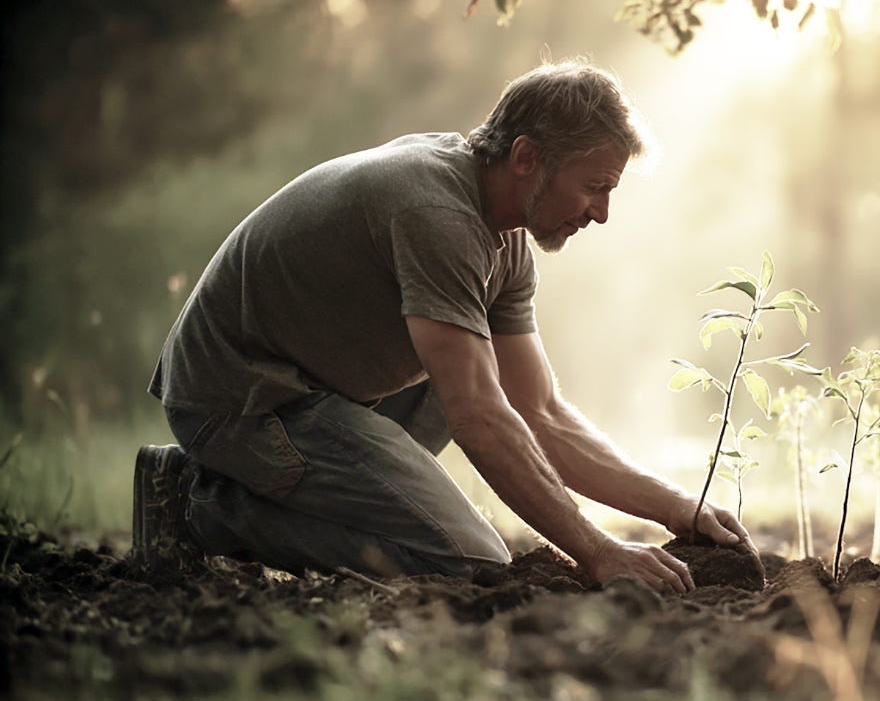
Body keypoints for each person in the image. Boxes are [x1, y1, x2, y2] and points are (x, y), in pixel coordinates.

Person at [135, 59, 751, 592]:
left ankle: (274, 496)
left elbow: (541, 413)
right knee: (467, 558)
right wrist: (598, 551)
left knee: (469, 376)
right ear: (526, 156)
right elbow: (479, 419)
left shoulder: (503, 240)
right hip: (243, 398)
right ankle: (196, 503)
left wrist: (679, 509)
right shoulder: (438, 213)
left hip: (320, 391)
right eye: (593, 187)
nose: (602, 213)